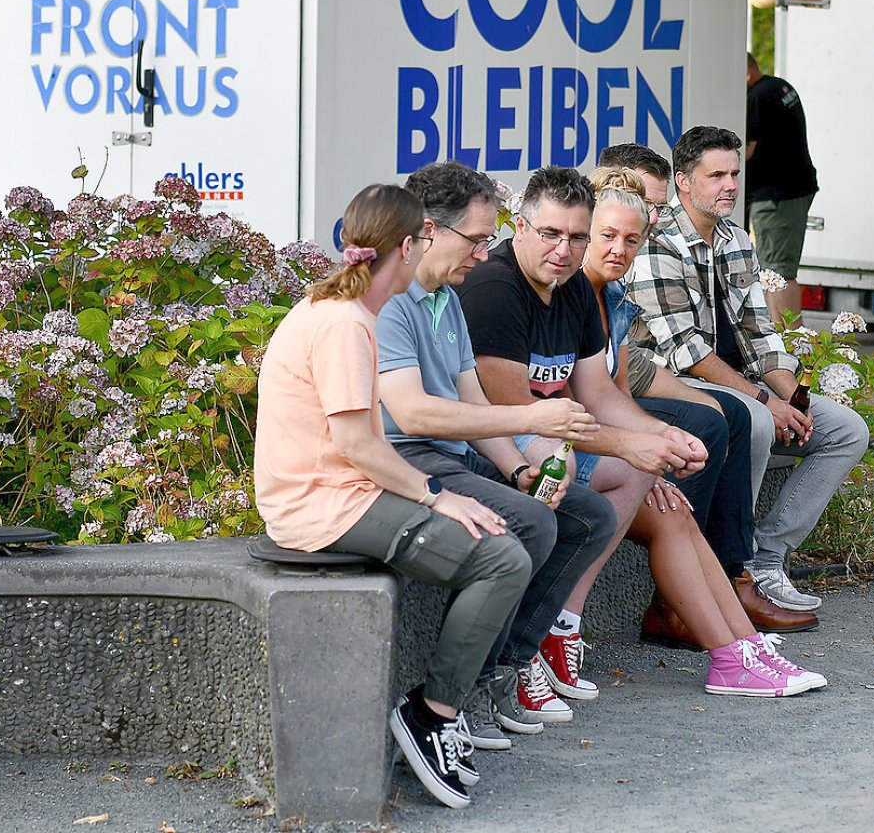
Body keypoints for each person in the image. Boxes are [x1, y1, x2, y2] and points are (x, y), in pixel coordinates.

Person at [254, 184, 530, 810]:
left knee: (500, 542)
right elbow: (357, 444)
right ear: (407, 246)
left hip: (335, 494)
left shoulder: (341, 311)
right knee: (501, 557)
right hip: (321, 507)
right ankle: (432, 714)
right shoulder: (344, 324)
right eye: (426, 242)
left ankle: (438, 710)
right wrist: (436, 498)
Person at [374, 162, 617, 749]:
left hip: (449, 453)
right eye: (478, 240)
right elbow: (414, 416)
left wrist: (519, 466)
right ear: (429, 230)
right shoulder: (389, 301)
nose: (485, 254)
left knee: (588, 515)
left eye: (488, 241)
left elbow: (470, 400)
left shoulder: (445, 298)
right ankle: (467, 688)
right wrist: (530, 419)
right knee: (531, 521)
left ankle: (507, 664)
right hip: (408, 458)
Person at [455, 166, 714, 716]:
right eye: (550, 234)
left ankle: (559, 626)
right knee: (566, 480)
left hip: (546, 434)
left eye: (576, 237)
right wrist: (622, 444)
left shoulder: (572, 287)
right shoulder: (495, 288)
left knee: (642, 467)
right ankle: (513, 657)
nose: (564, 250)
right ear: (519, 227)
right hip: (487, 443)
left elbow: (597, 391)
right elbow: (511, 414)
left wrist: (662, 435)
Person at [581, 169, 824, 692]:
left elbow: (609, 394)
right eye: (608, 235)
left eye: (632, 236)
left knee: (678, 512)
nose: (624, 245)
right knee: (724, 420)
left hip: (596, 436)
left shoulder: (612, 301)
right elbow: (556, 408)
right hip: (552, 451)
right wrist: (644, 445)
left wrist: (652, 444)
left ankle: (738, 644)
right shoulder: (559, 294)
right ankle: (562, 635)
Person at [625, 126, 869, 615]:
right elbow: (686, 352)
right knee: (754, 421)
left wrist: (794, 400)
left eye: (735, 173)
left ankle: (767, 559)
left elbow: (762, 338)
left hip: (745, 385)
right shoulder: (657, 244)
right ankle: (731, 569)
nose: (730, 185)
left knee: (845, 429)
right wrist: (765, 403)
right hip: (678, 383)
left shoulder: (737, 241)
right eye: (716, 175)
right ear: (683, 182)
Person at [745, 53, 819, 323]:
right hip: (796, 188)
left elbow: (748, 150)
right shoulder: (780, 87)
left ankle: (791, 346)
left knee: (777, 272)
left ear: (746, 74)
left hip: (777, 196)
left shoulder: (756, 97)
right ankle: (784, 341)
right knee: (777, 270)